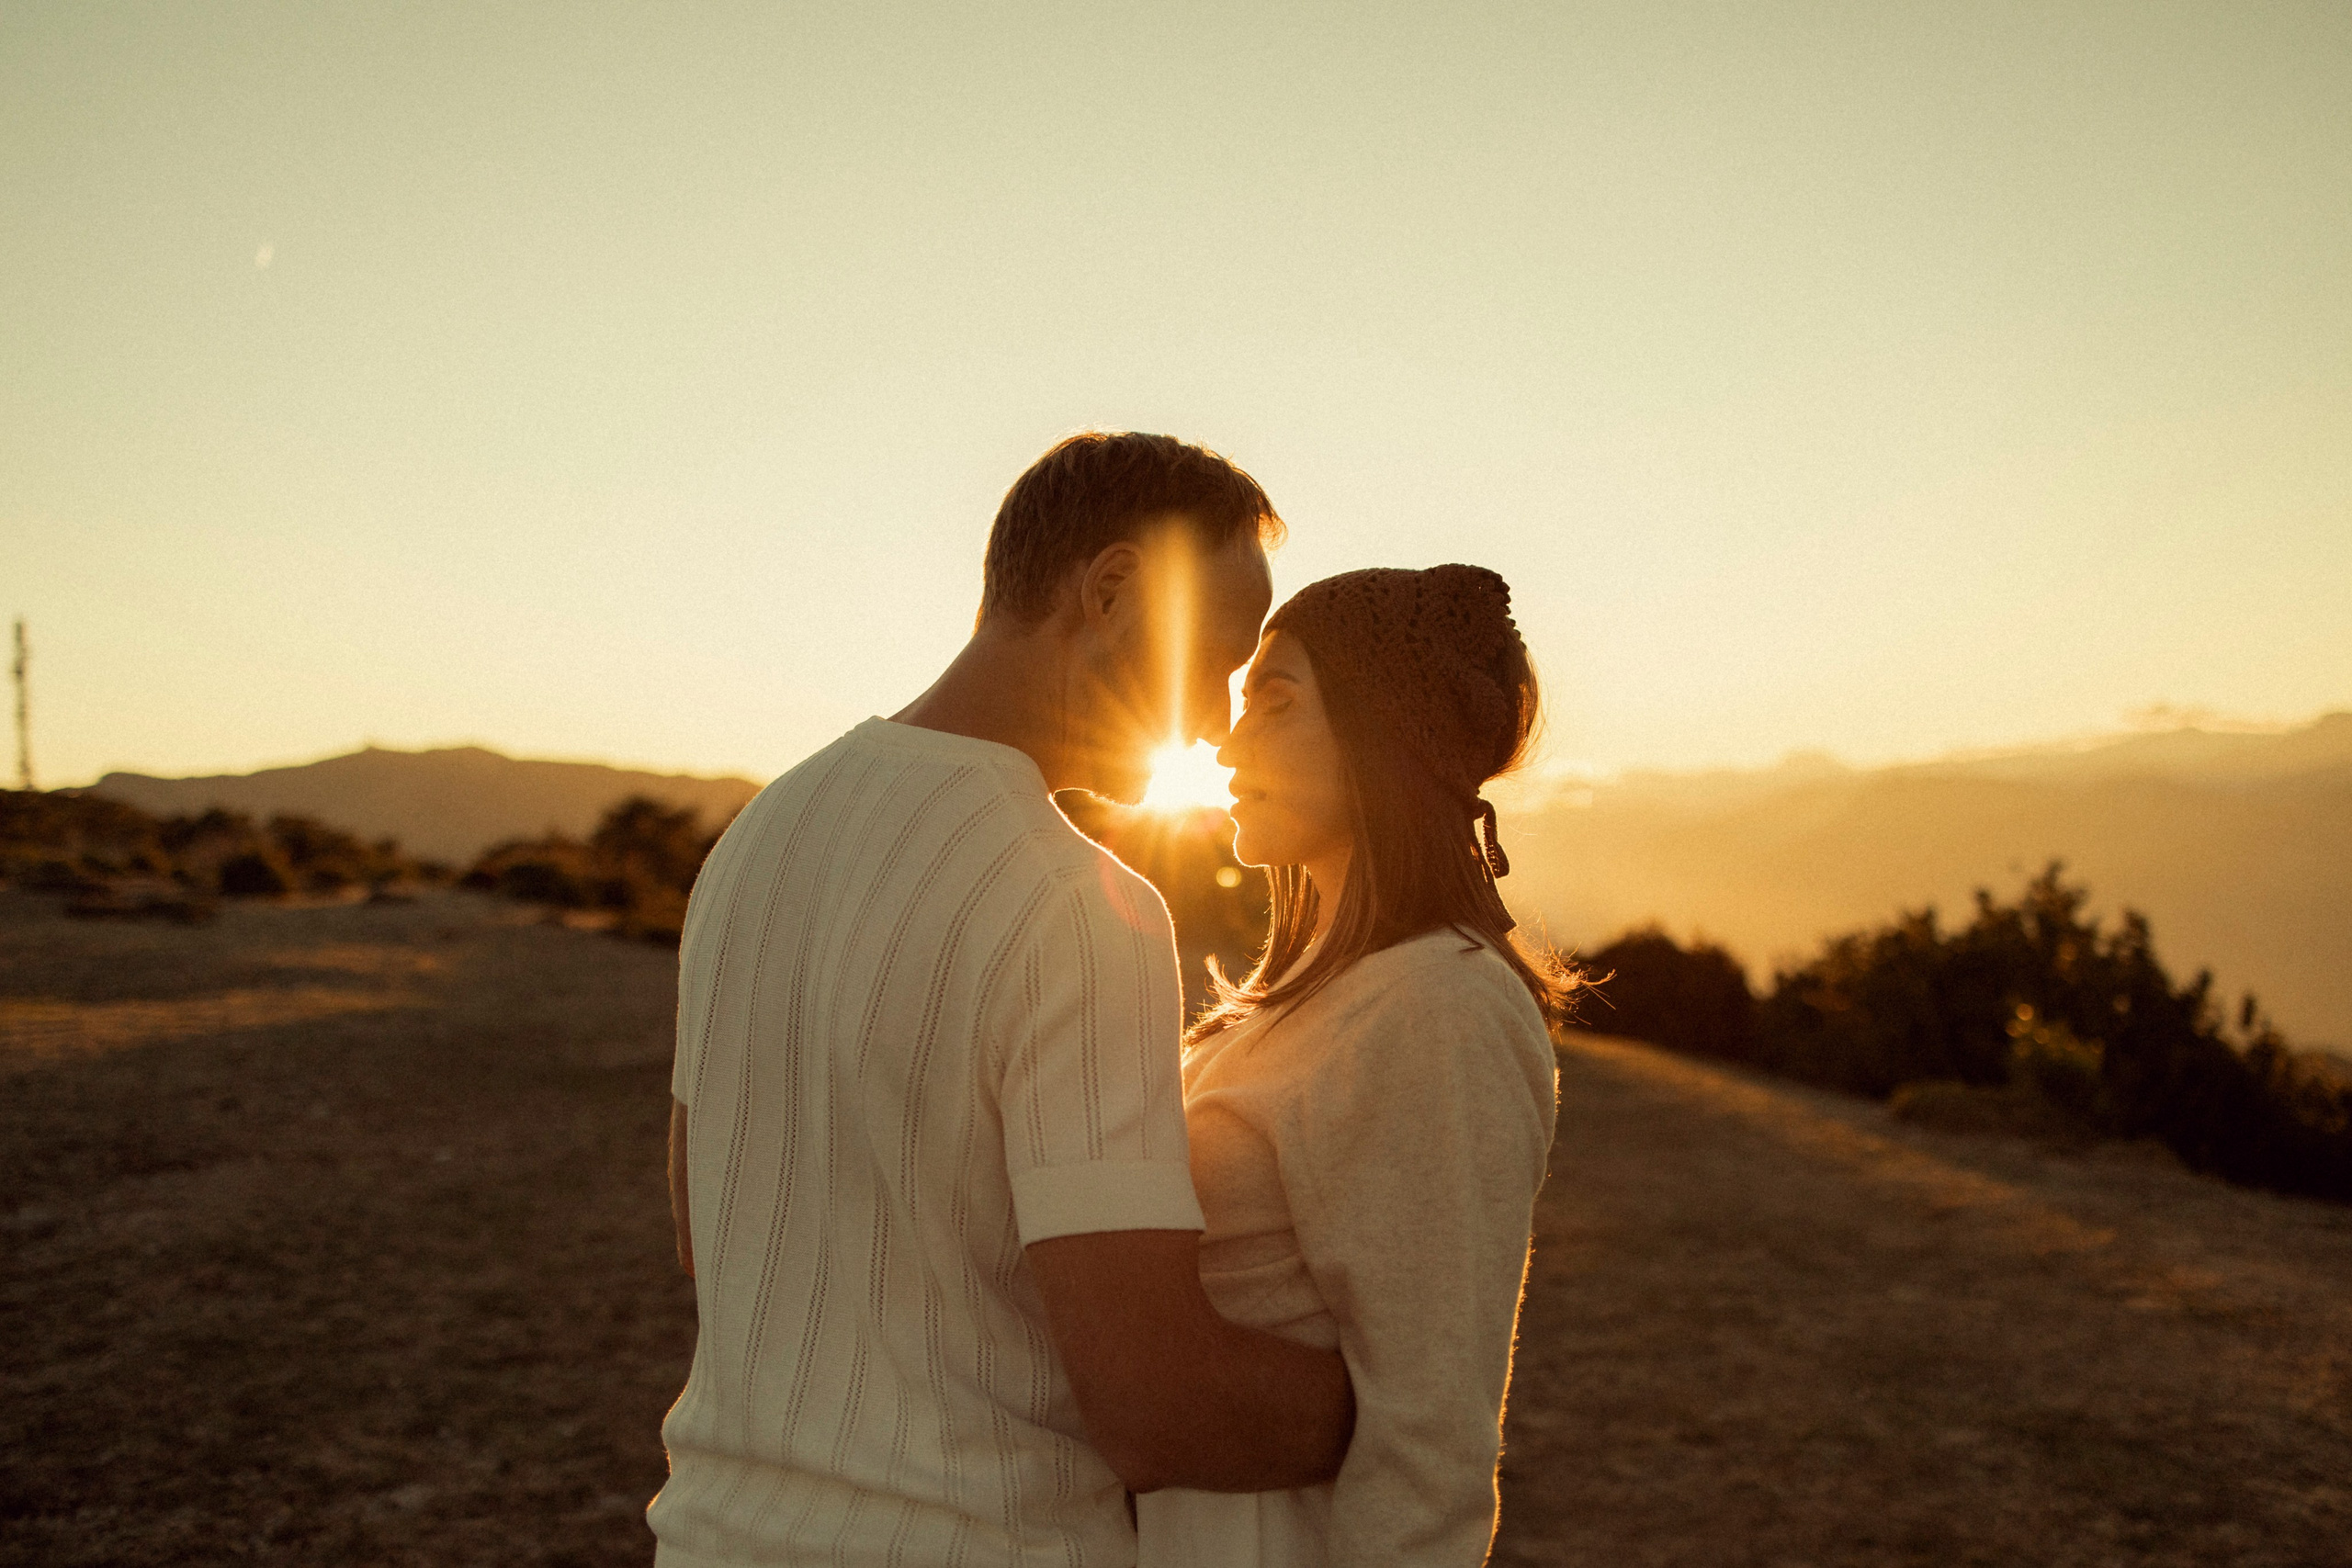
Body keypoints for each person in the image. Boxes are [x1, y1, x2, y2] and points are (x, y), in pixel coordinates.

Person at [649, 433, 1357, 1567]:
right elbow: (1154, 1405)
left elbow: (707, 1218)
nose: (1218, 719)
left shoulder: (759, 835)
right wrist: (1399, 1399)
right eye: (1217, 659)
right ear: (1111, 591)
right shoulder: (1076, 903)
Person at [1135, 565, 1575, 1567]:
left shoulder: (1438, 1007)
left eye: (1275, 703)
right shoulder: (1297, 1003)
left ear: (1383, 733)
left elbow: (1431, 1430)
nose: (1228, 742)